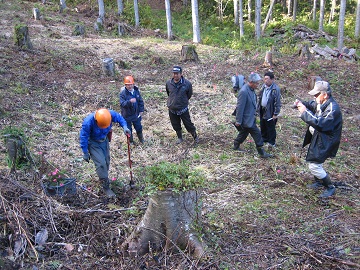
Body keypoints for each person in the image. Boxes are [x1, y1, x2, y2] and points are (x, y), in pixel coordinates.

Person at [295, 81, 342, 198]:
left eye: (316, 95)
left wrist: (304, 112)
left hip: (326, 140)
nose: (314, 97)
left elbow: (320, 124)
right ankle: (318, 181)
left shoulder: (333, 109)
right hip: (319, 137)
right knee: (315, 160)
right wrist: (300, 103)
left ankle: (330, 187)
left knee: (314, 165)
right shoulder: (321, 103)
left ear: (325, 95)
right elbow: (312, 104)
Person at [80, 108, 131, 197]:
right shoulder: (88, 122)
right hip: (93, 143)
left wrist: (125, 127)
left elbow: (120, 118)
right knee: (101, 164)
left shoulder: (110, 114)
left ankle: (104, 178)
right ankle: (106, 187)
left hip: (104, 141)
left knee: (107, 162)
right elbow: (83, 137)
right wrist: (85, 152)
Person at [233, 73, 272, 158]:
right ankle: (261, 152)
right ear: (251, 82)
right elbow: (240, 107)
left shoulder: (251, 89)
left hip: (250, 117)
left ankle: (236, 144)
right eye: (257, 83)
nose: (258, 85)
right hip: (246, 119)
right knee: (257, 134)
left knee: (244, 132)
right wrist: (238, 120)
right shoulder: (243, 92)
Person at [166, 66, 198, 144]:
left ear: (181, 74)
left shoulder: (187, 84)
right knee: (175, 125)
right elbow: (168, 93)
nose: (175, 75)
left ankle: (195, 137)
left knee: (188, 124)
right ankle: (180, 138)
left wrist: (182, 102)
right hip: (172, 109)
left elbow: (189, 94)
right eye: (174, 73)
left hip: (183, 109)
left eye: (177, 74)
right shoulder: (168, 83)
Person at [257, 72, 281, 148]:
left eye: (267, 79)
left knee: (270, 126)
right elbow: (260, 97)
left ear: (272, 79)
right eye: (264, 79)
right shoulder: (263, 87)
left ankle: (271, 142)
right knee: (263, 124)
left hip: (270, 110)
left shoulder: (275, 89)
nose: (265, 80)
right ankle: (264, 139)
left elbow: (278, 102)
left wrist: (275, 113)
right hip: (262, 109)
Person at [119, 75, 145, 144]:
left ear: (133, 84)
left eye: (131, 85)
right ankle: (130, 142)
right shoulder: (123, 94)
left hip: (136, 115)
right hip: (127, 116)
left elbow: (140, 101)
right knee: (128, 130)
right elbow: (122, 104)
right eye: (128, 85)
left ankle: (141, 139)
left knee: (139, 127)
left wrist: (141, 110)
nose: (130, 86)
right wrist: (129, 102)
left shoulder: (136, 91)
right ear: (125, 85)